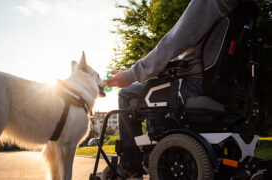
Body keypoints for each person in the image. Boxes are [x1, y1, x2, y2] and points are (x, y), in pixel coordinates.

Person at [105, 0, 257, 179]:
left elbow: (172, 42)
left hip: (194, 86)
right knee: (154, 89)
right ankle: (152, 153)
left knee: (127, 93)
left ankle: (131, 167)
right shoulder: (244, 8)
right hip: (227, 90)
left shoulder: (209, 2)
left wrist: (130, 75)